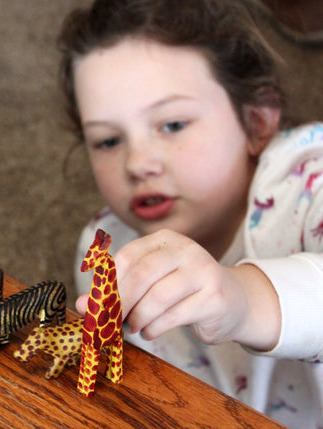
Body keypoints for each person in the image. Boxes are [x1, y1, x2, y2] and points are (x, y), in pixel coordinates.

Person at [57, 0, 323, 427]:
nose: (138, 163)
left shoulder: (310, 179)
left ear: (256, 122)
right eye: (108, 141)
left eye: (173, 125)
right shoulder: (105, 251)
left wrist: (240, 298)